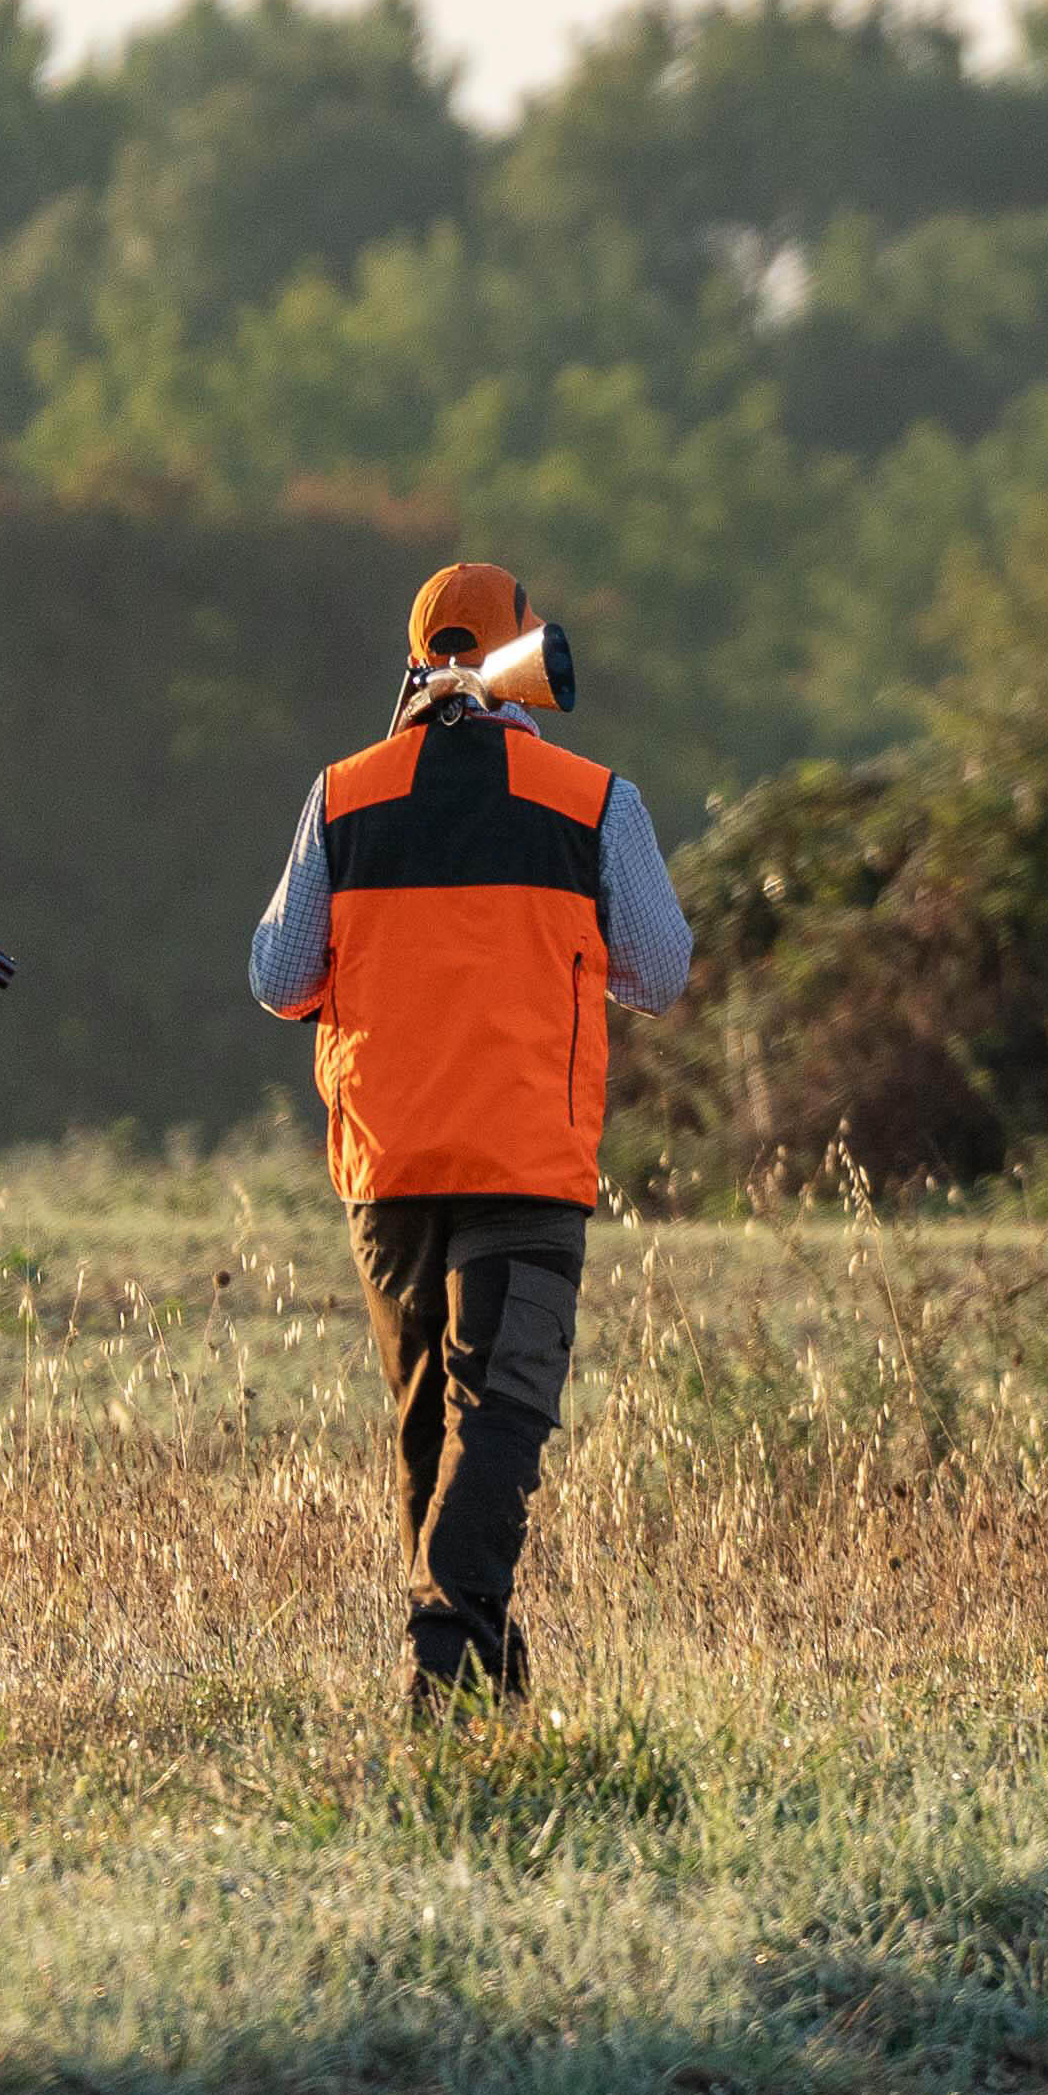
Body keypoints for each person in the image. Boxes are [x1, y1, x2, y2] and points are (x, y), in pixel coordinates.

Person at [250, 559, 693, 1703]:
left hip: (389, 1165)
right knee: (501, 1413)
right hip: (522, 1160)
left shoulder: (342, 792)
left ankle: (482, 1695)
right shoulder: (593, 800)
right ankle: (446, 1660)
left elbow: (276, 975)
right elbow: (663, 970)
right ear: (518, 656)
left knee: (429, 1435)